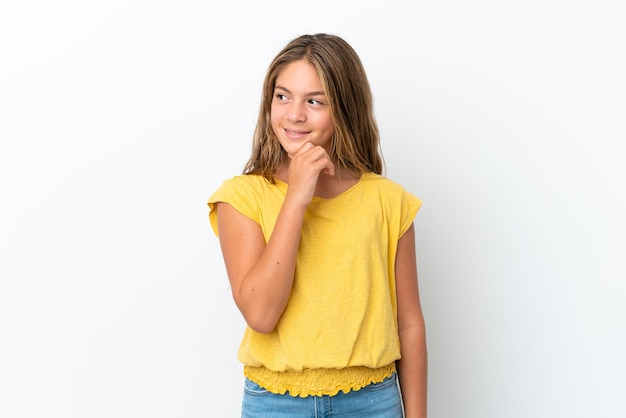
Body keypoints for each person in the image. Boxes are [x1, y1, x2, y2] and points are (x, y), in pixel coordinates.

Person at [207, 33, 427, 418]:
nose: (294, 114)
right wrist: (296, 196)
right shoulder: (242, 197)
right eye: (282, 96)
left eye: (314, 101)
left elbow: (409, 323)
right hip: (275, 404)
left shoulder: (388, 201)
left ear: (344, 107)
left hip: (372, 402)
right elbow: (260, 315)